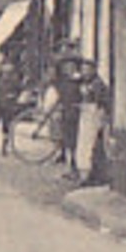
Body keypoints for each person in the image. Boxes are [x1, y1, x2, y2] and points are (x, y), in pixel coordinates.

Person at [54, 40, 89, 180]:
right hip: (67, 111)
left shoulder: (77, 81)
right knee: (68, 139)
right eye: (65, 66)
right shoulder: (65, 81)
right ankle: (71, 166)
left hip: (75, 112)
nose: (67, 68)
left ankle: (76, 169)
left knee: (74, 140)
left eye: (70, 66)